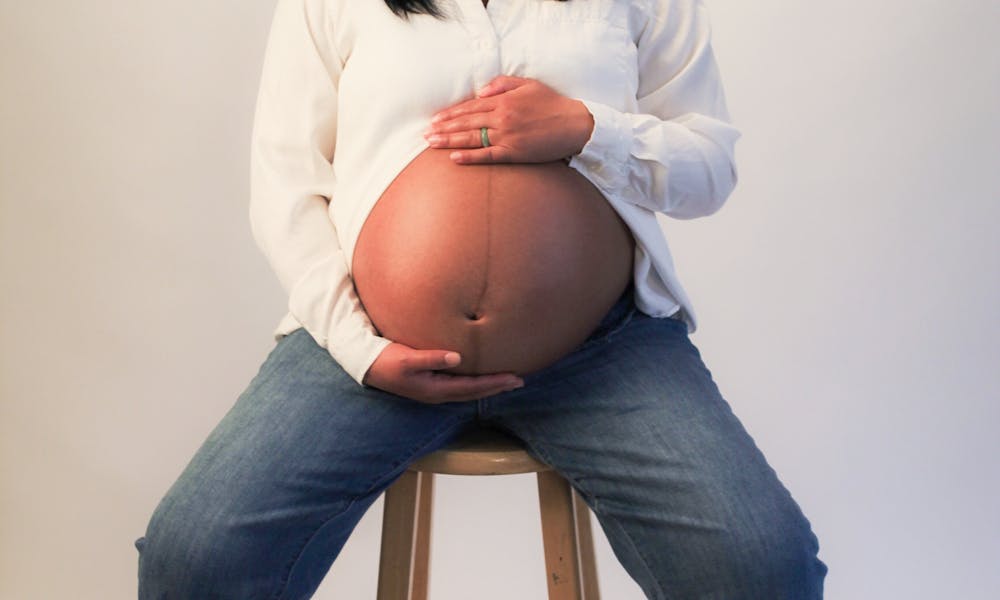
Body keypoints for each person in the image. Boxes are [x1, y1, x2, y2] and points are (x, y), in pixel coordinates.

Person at [135, 0, 829, 597]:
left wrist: (588, 128)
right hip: (367, 344)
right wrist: (359, 348)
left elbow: (711, 168)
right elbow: (285, 183)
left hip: (601, 352)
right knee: (194, 555)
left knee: (764, 565)